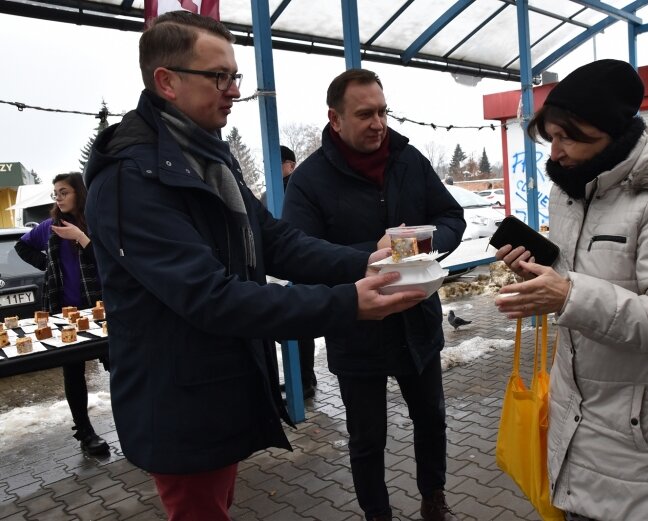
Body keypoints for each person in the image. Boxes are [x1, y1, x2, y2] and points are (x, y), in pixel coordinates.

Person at [83, 12, 425, 521]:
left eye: (235, 76)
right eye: (219, 76)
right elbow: (210, 296)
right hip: (179, 403)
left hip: (216, 387)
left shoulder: (204, 156)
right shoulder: (132, 177)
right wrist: (347, 303)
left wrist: (365, 258)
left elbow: (275, 241)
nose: (234, 91)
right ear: (167, 82)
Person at [493, 59, 648, 521]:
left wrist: (567, 296)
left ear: (615, 135)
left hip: (644, 432)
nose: (555, 153)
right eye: (551, 136)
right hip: (579, 415)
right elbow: (585, 273)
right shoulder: (572, 190)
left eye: (569, 137)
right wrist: (541, 271)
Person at [282, 68, 466, 521]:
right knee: (367, 438)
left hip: (417, 321)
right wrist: (374, 253)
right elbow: (299, 256)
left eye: (383, 111)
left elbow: (451, 217)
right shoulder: (308, 180)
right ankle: (376, 513)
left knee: (431, 421)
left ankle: (433, 498)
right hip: (357, 327)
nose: (378, 123)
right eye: (365, 114)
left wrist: (419, 243)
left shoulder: (409, 160)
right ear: (335, 118)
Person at [14, 173, 109, 456]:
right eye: (56, 193)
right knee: (74, 371)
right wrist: (46, 263)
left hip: (100, 307)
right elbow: (22, 246)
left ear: (79, 192)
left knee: (118, 364)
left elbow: (109, 261)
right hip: (64, 312)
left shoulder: (96, 222)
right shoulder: (49, 227)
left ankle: (133, 421)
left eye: (64, 191)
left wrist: (81, 238)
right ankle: (85, 433)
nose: (59, 197)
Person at [263, 145, 318, 399]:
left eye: (277, 163)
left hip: (298, 264)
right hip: (282, 266)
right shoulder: (270, 192)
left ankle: (304, 379)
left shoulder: (297, 188)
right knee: (291, 325)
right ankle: (301, 377)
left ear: (290, 165)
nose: (271, 169)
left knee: (300, 327)